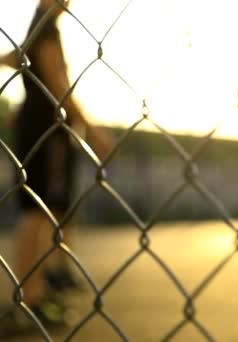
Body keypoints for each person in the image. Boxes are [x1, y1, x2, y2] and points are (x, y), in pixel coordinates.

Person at [0, 0, 112, 333]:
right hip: (44, 131)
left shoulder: (38, 27)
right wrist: (91, 129)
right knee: (37, 212)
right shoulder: (46, 27)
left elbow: (18, 59)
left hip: (39, 130)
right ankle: (27, 301)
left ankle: (34, 294)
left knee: (44, 210)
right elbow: (57, 84)